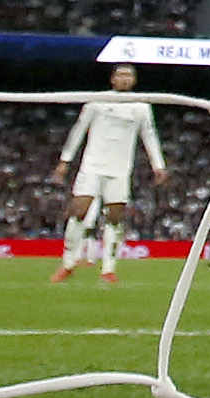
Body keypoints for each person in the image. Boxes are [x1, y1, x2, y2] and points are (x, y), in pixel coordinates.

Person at [52, 63, 167, 286]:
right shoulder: (97, 102)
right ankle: (68, 263)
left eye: (129, 75)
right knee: (79, 210)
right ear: (112, 79)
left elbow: (149, 135)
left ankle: (108, 269)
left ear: (134, 80)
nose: (124, 79)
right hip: (92, 166)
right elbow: (78, 131)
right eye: (120, 75)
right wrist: (65, 160)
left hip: (120, 170)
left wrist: (158, 165)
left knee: (114, 217)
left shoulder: (141, 107)